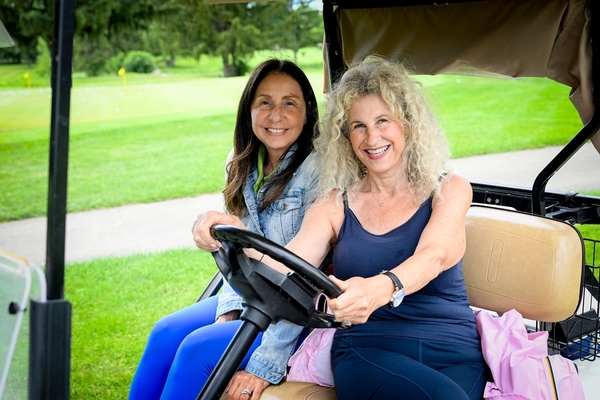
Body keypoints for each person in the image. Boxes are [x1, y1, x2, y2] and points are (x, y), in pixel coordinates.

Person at [193, 55, 488, 400]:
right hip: (369, 348)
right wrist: (227, 231)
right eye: (358, 126)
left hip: (453, 350)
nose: (372, 137)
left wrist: (382, 288)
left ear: (407, 123)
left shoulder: (449, 188)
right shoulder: (335, 203)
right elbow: (287, 262)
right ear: (346, 136)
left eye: (383, 121)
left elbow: (436, 255)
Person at [129, 58, 321, 400]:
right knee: (165, 332)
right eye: (264, 102)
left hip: (298, 314)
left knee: (196, 349)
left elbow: (305, 279)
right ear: (248, 109)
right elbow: (238, 252)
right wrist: (228, 310)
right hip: (255, 298)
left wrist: (264, 364)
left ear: (307, 110)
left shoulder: (319, 171)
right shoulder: (243, 160)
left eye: (289, 103)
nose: (276, 116)